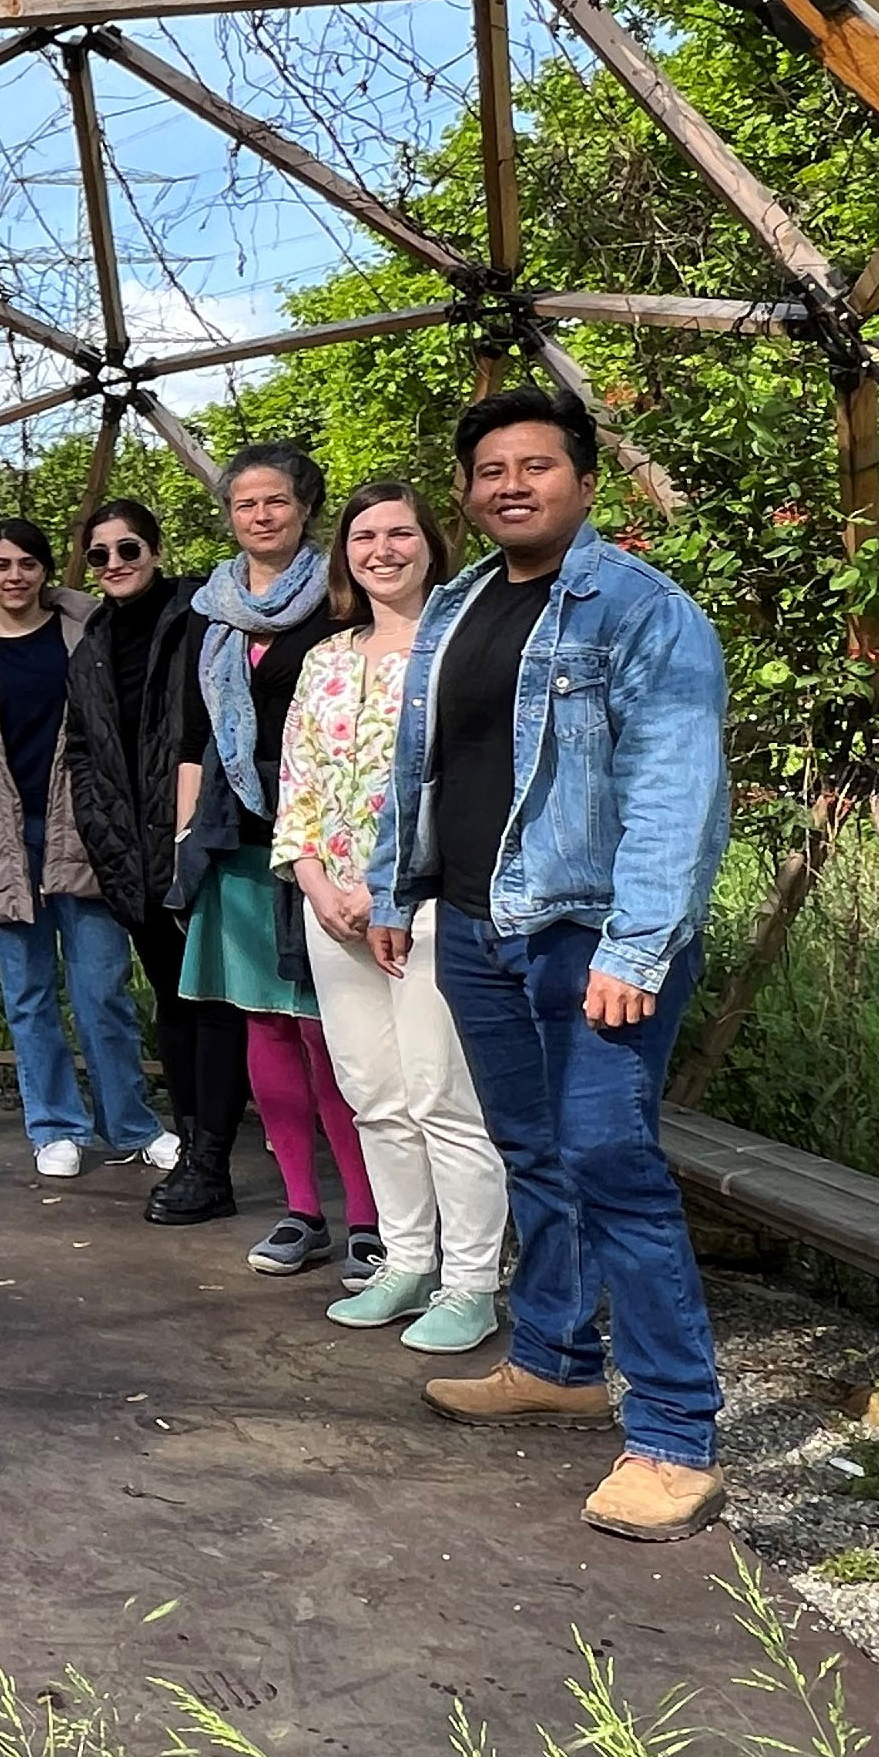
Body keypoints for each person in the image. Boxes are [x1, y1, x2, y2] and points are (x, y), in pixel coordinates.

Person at [373, 388, 732, 1542]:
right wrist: (398, 890)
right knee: (532, 1150)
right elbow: (423, 768)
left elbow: (678, 788)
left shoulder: (638, 608)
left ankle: (676, 1435)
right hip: (480, 926)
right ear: (468, 492)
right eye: (490, 469)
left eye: (536, 464)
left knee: (610, 1158)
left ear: (583, 481)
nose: (511, 483)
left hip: (593, 934)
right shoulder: (466, 602)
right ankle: (559, 1361)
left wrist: (637, 945)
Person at [272, 483, 504, 1354]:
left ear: (431, 545)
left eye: (400, 532)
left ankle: (472, 1281)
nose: (382, 549)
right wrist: (314, 881)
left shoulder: (460, 650)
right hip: (332, 906)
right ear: (344, 555)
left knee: (445, 1094)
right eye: (364, 535)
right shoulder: (327, 659)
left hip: (433, 902)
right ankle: (405, 1260)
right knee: (375, 1093)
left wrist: (388, 885)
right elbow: (295, 783)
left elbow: (475, 778)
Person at [173, 445, 379, 1280]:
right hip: (231, 838)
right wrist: (187, 841)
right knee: (262, 1020)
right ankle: (302, 1209)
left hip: (318, 843)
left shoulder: (338, 597)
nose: (260, 516)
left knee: (328, 1028)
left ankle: (369, 1216)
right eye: (245, 503)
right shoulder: (209, 607)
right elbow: (193, 736)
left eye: (276, 502)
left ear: (305, 508)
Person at [0, 519, 162, 1179]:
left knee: (102, 987)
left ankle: (132, 1123)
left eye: (27, 564)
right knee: (28, 991)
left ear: (45, 570)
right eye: (2, 564)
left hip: (79, 831)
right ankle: (55, 1125)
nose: (14, 576)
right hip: (2, 838)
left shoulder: (85, 629)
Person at [61, 499, 236, 1213]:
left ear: (155, 549)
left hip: (198, 842)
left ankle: (213, 1162)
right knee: (173, 998)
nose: (114, 565)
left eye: (127, 548)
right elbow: (82, 751)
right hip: (130, 855)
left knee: (216, 1000)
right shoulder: (92, 642)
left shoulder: (199, 617)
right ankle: (196, 1149)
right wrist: (103, 835)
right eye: (99, 555)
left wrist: (192, 830)